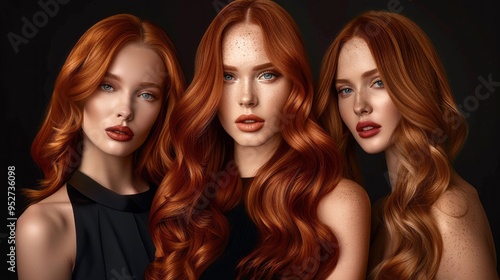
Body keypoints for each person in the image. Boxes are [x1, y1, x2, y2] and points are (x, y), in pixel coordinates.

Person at [146, 0, 371, 279]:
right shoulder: (184, 198)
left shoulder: (339, 203)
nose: (246, 98)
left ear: (294, 85)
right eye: (228, 76)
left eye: (267, 75)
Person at [315, 10, 498, 280]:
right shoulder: (379, 213)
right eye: (345, 90)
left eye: (378, 82)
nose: (359, 106)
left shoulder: (449, 213)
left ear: (413, 84)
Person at [16, 14, 185, 280]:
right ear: (79, 89)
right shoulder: (44, 227)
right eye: (107, 86)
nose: (125, 111)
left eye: (146, 94)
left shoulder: (184, 214)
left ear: (163, 109)